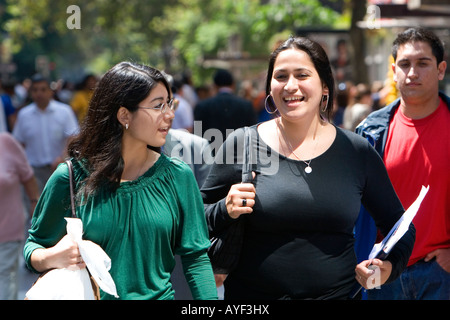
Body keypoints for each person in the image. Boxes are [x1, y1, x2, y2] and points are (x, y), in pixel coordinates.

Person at [200, 36, 415, 300]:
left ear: (324, 86)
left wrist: (387, 270)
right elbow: (196, 218)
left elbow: (401, 226)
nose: (291, 86)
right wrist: (226, 209)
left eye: (302, 75)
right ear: (270, 86)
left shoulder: (356, 151)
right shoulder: (242, 143)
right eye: (281, 76)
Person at [23, 61, 217, 300]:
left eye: (169, 103)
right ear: (124, 114)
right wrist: (51, 256)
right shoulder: (71, 177)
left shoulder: (178, 175)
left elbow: (196, 257)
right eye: (158, 106)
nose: (170, 114)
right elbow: (33, 247)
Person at [356, 27, 450, 300]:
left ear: (441, 69)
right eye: (405, 64)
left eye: (423, 63)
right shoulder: (370, 131)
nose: (412, 72)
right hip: (382, 273)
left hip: (440, 274)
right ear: (395, 71)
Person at [12, 74, 79, 193]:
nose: (39, 94)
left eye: (43, 89)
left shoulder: (64, 111)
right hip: (34, 171)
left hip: (60, 169)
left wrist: (62, 157)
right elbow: (18, 143)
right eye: (35, 90)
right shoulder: (24, 115)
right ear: (30, 93)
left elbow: (73, 137)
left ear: (50, 91)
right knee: (35, 207)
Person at [0, 132, 39, 300]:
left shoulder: (7, 143)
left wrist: (34, 204)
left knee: (5, 278)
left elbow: (28, 177)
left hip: (8, 227)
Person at [194, 69, 256, 143]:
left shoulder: (202, 106)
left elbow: (197, 137)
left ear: (215, 85)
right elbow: (253, 134)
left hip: (211, 152)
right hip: (239, 152)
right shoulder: (246, 106)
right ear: (233, 84)